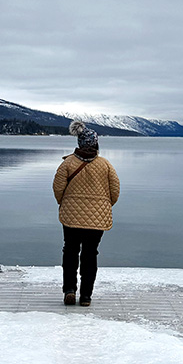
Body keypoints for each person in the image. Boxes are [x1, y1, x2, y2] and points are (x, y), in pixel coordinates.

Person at [53, 121, 120, 307]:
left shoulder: (67, 163)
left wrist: (65, 203)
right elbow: (115, 192)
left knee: (70, 252)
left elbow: (58, 189)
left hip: (71, 216)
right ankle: (86, 296)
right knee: (90, 254)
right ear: (96, 144)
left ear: (80, 144)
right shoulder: (106, 165)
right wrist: (104, 205)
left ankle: (69, 290)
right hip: (97, 219)